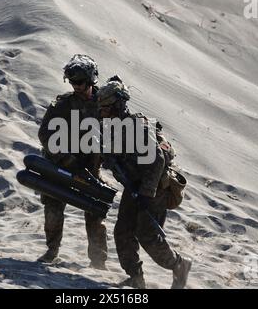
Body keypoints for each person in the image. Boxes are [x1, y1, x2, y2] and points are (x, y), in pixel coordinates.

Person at [96, 78, 192, 288]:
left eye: (105, 107)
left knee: (147, 236)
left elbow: (156, 160)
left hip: (154, 188)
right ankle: (136, 277)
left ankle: (179, 265)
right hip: (134, 187)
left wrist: (146, 195)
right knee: (122, 232)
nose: (102, 111)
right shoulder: (113, 127)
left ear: (117, 105)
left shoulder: (136, 126)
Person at [36, 54, 107, 269]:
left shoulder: (105, 103)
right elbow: (45, 135)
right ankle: (51, 251)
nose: (76, 86)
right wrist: (65, 157)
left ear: (91, 80)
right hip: (61, 166)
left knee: (95, 212)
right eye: (72, 82)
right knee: (53, 208)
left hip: (90, 168)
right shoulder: (62, 105)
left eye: (80, 82)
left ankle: (98, 260)